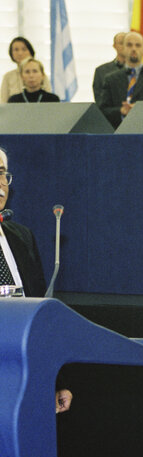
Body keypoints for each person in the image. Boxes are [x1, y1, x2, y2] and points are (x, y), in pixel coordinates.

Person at [0, 148, 71, 413]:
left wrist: (56, 381)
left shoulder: (22, 237)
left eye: (2, 174)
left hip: (24, 377)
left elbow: (41, 317)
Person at [97, 32, 143, 129]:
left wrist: (139, 110)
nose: (134, 49)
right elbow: (102, 111)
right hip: (117, 133)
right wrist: (121, 110)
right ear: (123, 49)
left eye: (138, 45)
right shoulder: (110, 80)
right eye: (129, 45)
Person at [1, 37, 53, 103]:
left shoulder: (40, 75)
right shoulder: (8, 76)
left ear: (30, 51)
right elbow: (3, 103)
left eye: (24, 49)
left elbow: (48, 100)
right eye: (16, 50)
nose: (20, 53)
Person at [92, 32, 126, 105]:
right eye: (121, 43)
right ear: (114, 46)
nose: (125, 46)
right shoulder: (101, 71)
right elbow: (100, 102)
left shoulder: (141, 72)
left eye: (128, 43)